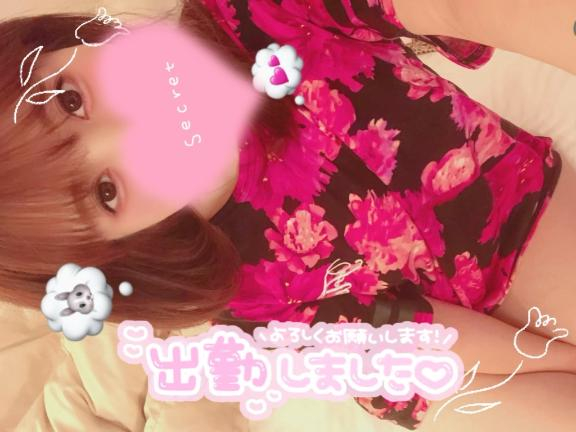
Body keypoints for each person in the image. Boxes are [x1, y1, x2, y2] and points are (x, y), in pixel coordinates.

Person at [0, 0, 575, 430]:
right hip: (422, 347)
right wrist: (550, 363)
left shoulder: (255, 14)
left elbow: (466, 8)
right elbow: (414, 339)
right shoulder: (233, 284)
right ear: (118, 249)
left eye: (70, 100)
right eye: (105, 192)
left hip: (514, 210)